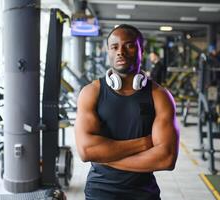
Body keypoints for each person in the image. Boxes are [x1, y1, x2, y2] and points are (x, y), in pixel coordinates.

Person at [75, 24, 179, 200]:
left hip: (144, 193)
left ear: (141, 51)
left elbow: (166, 159)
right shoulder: (91, 92)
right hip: (100, 192)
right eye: (114, 47)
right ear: (108, 52)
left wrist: (105, 156)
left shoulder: (160, 96)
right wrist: (146, 143)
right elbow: (87, 150)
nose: (120, 52)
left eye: (129, 45)